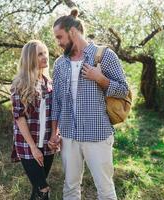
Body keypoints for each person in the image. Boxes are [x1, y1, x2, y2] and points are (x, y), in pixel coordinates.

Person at [48, 8, 129, 200]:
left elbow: (123, 90)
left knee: (105, 189)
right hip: (69, 136)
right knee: (70, 187)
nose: (58, 43)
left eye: (60, 37)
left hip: (98, 134)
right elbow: (56, 102)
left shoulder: (104, 56)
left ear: (73, 32)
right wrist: (54, 133)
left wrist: (100, 79)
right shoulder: (60, 64)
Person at [10, 40, 59, 200]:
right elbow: (19, 117)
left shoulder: (50, 84)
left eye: (45, 52)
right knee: (43, 188)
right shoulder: (20, 84)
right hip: (27, 145)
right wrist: (33, 148)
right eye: (40, 54)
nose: (45, 57)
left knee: (37, 189)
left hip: (47, 145)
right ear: (30, 58)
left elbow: (55, 113)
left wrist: (54, 135)